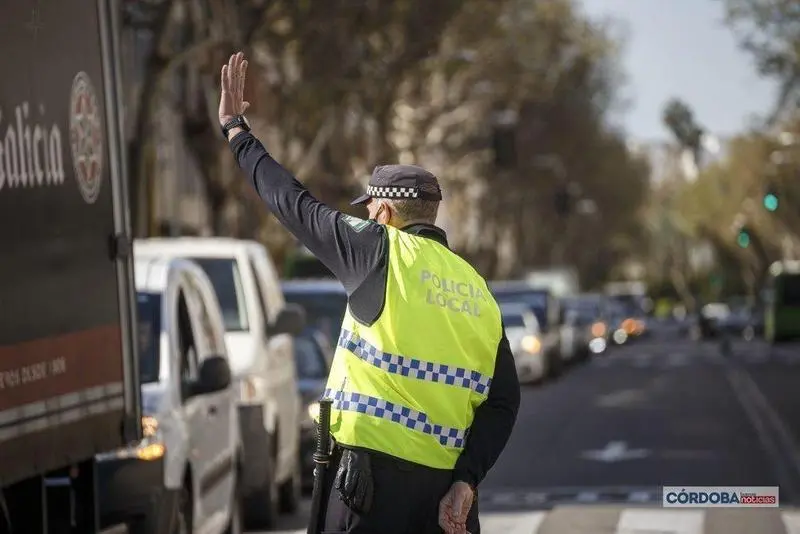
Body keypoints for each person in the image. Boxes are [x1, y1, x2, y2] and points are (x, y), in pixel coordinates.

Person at [218, 52, 520, 534]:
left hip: (367, 490)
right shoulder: (477, 289)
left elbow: (290, 201)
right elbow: (504, 402)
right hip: (444, 497)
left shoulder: (375, 250)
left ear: (381, 213)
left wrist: (237, 131)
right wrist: (467, 479)